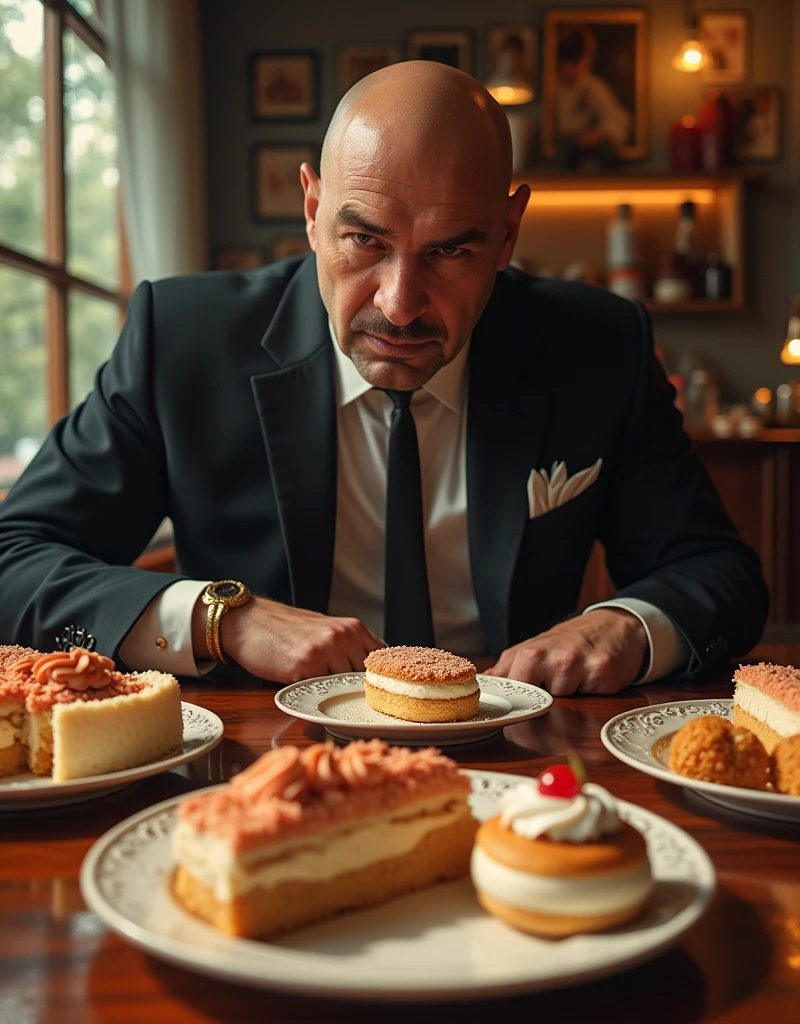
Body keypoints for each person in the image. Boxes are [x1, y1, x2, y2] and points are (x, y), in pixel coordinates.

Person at [0, 62, 767, 695]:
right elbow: (14, 559)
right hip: (257, 758)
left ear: (507, 234)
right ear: (311, 210)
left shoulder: (599, 348)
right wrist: (220, 618)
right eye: (364, 240)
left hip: (522, 757)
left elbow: (719, 574)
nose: (399, 306)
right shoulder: (185, 340)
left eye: (451, 251)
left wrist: (628, 625)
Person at [554, 27, 632, 169]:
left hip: (581, 157)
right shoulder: (549, 87)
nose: (570, 68)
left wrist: (595, 136)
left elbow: (616, 121)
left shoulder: (593, 87)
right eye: (567, 61)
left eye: (576, 61)